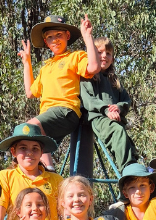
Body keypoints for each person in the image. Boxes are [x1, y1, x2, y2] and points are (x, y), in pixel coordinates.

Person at [19, 15, 101, 169]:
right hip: (49, 117)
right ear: (46, 42)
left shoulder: (75, 57)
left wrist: (87, 36)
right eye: (50, 37)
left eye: (59, 35)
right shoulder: (46, 67)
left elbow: (94, 67)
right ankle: (45, 172)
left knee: (31, 127)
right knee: (29, 143)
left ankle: (49, 168)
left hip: (66, 111)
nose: (55, 40)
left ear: (67, 36)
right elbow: (30, 92)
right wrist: (26, 62)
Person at [80, 37, 138, 170]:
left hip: (115, 120)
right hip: (97, 117)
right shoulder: (87, 76)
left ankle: (135, 169)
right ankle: (128, 170)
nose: (104, 56)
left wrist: (118, 107)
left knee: (129, 145)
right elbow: (88, 100)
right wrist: (106, 110)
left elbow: (126, 100)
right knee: (117, 132)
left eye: (108, 53)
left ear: (112, 58)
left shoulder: (114, 79)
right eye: (99, 52)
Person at [0, 123, 64, 220]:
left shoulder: (57, 180)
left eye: (35, 148)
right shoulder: (5, 177)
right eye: (23, 148)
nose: (29, 153)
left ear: (41, 152)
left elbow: (67, 214)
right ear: (13, 151)